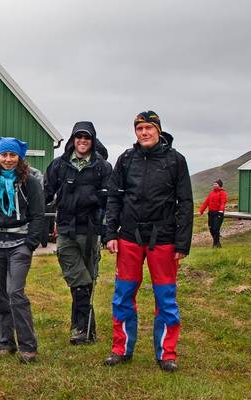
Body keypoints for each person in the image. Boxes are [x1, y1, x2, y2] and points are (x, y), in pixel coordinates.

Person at [102, 111, 193, 372]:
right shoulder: (126, 160)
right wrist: (110, 233)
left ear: (158, 130)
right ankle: (121, 350)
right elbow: (113, 198)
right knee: (122, 296)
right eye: (139, 128)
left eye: (148, 128)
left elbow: (185, 203)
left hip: (163, 239)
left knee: (165, 298)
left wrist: (182, 243)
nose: (144, 132)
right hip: (129, 237)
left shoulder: (176, 161)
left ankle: (166, 354)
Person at [0, 137, 46, 363]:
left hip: (20, 243)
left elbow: (38, 215)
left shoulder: (30, 182)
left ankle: (28, 345)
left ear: (19, 157)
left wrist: (30, 243)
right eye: (3, 155)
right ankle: (5, 341)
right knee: (0, 296)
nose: (7, 159)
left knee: (15, 293)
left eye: (12, 155)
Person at [44, 121, 112, 345]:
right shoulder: (58, 166)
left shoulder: (103, 167)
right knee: (79, 279)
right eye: (78, 137)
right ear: (73, 139)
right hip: (65, 230)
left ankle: (83, 328)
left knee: (87, 282)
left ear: (93, 140)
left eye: (87, 137)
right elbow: (45, 194)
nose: (82, 141)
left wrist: (109, 230)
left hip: (91, 231)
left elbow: (110, 201)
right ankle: (81, 329)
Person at [199, 179, 228, 248]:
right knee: (211, 229)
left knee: (216, 229)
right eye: (214, 184)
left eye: (216, 184)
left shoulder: (223, 193)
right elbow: (206, 202)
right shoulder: (211, 193)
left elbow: (223, 203)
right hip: (211, 213)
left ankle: (215, 244)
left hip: (218, 214)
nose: (214, 185)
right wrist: (201, 211)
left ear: (220, 185)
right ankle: (217, 243)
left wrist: (221, 211)